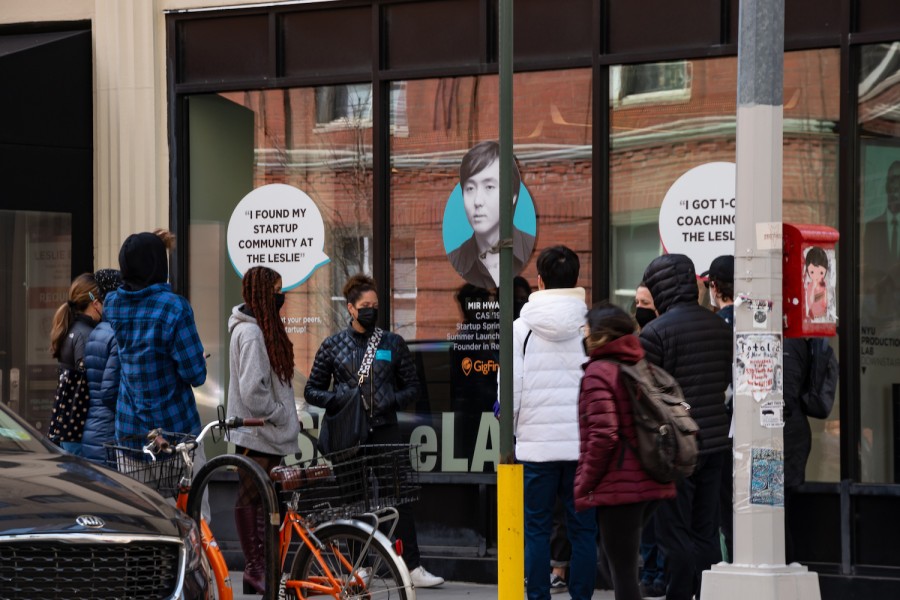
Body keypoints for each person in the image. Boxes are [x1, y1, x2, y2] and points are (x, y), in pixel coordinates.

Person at [304, 273, 444, 588]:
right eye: (365, 305)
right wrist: (340, 398)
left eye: (375, 305)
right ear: (351, 309)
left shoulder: (392, 342)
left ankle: (412, 567)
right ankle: (359, 568)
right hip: (348, 435)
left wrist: (388, 401)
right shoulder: (332, 346)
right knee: (353, 500)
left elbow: (413, 388)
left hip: (384, 429)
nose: (371, 310)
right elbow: (312, 391)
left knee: (400, 497)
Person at [639, 254, 733, 600]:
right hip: (715, 442)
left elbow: (645, 396)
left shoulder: (654, 333)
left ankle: (679, 595)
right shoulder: (719, 327)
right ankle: (708, 593)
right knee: (706, 530)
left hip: (675, 449)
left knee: (674, 532)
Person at [510, 245, 597, 600]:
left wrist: (517, 432)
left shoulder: (520, 328)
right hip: (583, 448)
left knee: (536, 529)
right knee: (583, 530)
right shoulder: (591, 327)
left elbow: (511, 389)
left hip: (537, 446)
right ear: (575, 281)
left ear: (540, 282)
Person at [574, 302, 676, 600]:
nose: (584, 333)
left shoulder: (598, 372)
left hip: (620, 485)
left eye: (587, 328)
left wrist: (584, 482)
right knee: (616, 562)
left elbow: (603, 435)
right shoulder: (639, 363)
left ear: (600, 334)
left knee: (621, 572)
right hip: (650, 476)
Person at [227, 266, 302, 594]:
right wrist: (279, 413)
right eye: (276, 290)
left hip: (263, 435)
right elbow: (253, 392)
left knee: (265, 501)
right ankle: (257, 568)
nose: (280, 297)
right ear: (262, 294)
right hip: (258, 433)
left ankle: (263, 570)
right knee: (256, 499)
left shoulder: (259, 329)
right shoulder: (252, 333)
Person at [104, 231, 208, 441]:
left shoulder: (112, 303)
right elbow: (195, 375)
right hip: (174, 431)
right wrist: (199, 359)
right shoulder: (174, 308)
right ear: (159, 263)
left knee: (129, 477)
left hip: (129, 431)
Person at [447, 140, 536, 289]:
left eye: (489, 187)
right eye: (470, 188)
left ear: (512, 196)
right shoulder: (456, 260)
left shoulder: (529, 249)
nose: (477, 201)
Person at [632, 283, 666, 596]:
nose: (640, 307)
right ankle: (650, 570)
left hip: (661, 440)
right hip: (644, 440)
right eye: (637, 301)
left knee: (660, 515)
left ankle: (659, 571)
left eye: (646, 302)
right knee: (648, 519)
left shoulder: (659, 338)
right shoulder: (634, 341)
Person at [702, 254, 736, 562]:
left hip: (724, 432)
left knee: (728, 511)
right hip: (767, 433)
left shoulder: (716, 327)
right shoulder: (763, 320)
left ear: (714, 287)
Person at [48, 272, 102, 455]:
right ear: (95, 302)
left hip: (65, 426)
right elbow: (89, 380)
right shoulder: (85, 334)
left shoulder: (70, 328)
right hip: (78, 429)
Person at [81, 269, 124, 465]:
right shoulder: (115, 335)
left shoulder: (96, 331)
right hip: (108, 433)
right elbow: (109, 392)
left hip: (93, 429)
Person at [804, 246, 829, 320]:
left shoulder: (824, 285)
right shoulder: (810, 286)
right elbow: (810, 303)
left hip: (823, 316)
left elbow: (825, 304)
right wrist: (813, 288)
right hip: (813, 317)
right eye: (812, 272)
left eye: (821, 272)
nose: (816, 276)